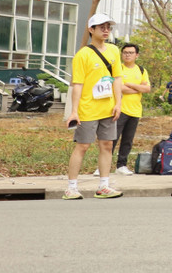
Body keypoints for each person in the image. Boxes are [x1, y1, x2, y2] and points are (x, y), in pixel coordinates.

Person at [64, 13, 123, 200]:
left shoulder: (114, 51)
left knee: (107, 145)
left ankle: (104, 185)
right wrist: (74, 111)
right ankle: (71, 187)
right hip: (88, 109)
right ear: (91, 30)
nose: (106, 30)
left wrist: (118, 103)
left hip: (108, 107)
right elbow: (78, 84)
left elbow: (117, 78)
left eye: (108, 27)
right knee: (82, 146)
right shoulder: (83, 55)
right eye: (101, 27)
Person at [113, 42, 150, 175]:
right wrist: (137, 87)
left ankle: (121, 165)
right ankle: (102, 166)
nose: (127, 55)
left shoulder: (141, 70)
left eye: (130, 53)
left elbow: (147, 88)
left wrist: (129, 84)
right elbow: (119, 88)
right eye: (125, 53)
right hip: (119, 109)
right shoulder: (118, 69)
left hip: (135, 110)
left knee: (127, 140)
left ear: (136, 55)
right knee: (112, 139)